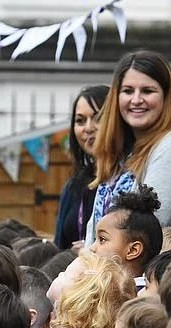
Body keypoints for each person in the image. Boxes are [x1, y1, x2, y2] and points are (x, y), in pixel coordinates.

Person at [85, 49, 171, 246]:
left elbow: (136, 231)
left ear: (166, 97)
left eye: (147, 91)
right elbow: (94, 234)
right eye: (128, 91)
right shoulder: (121, 155)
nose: (136, 100)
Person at [54, 85, 109, 250]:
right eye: (80, 121)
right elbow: (59, 245)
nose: (88, 128)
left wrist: (92, 249)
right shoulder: (74, 186)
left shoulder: (129, 180)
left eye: (98, 118)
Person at [91, 185, 164, 286]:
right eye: (96, 239)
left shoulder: (137, 298)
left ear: (133, 250)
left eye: (102, 239)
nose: (92, 248)